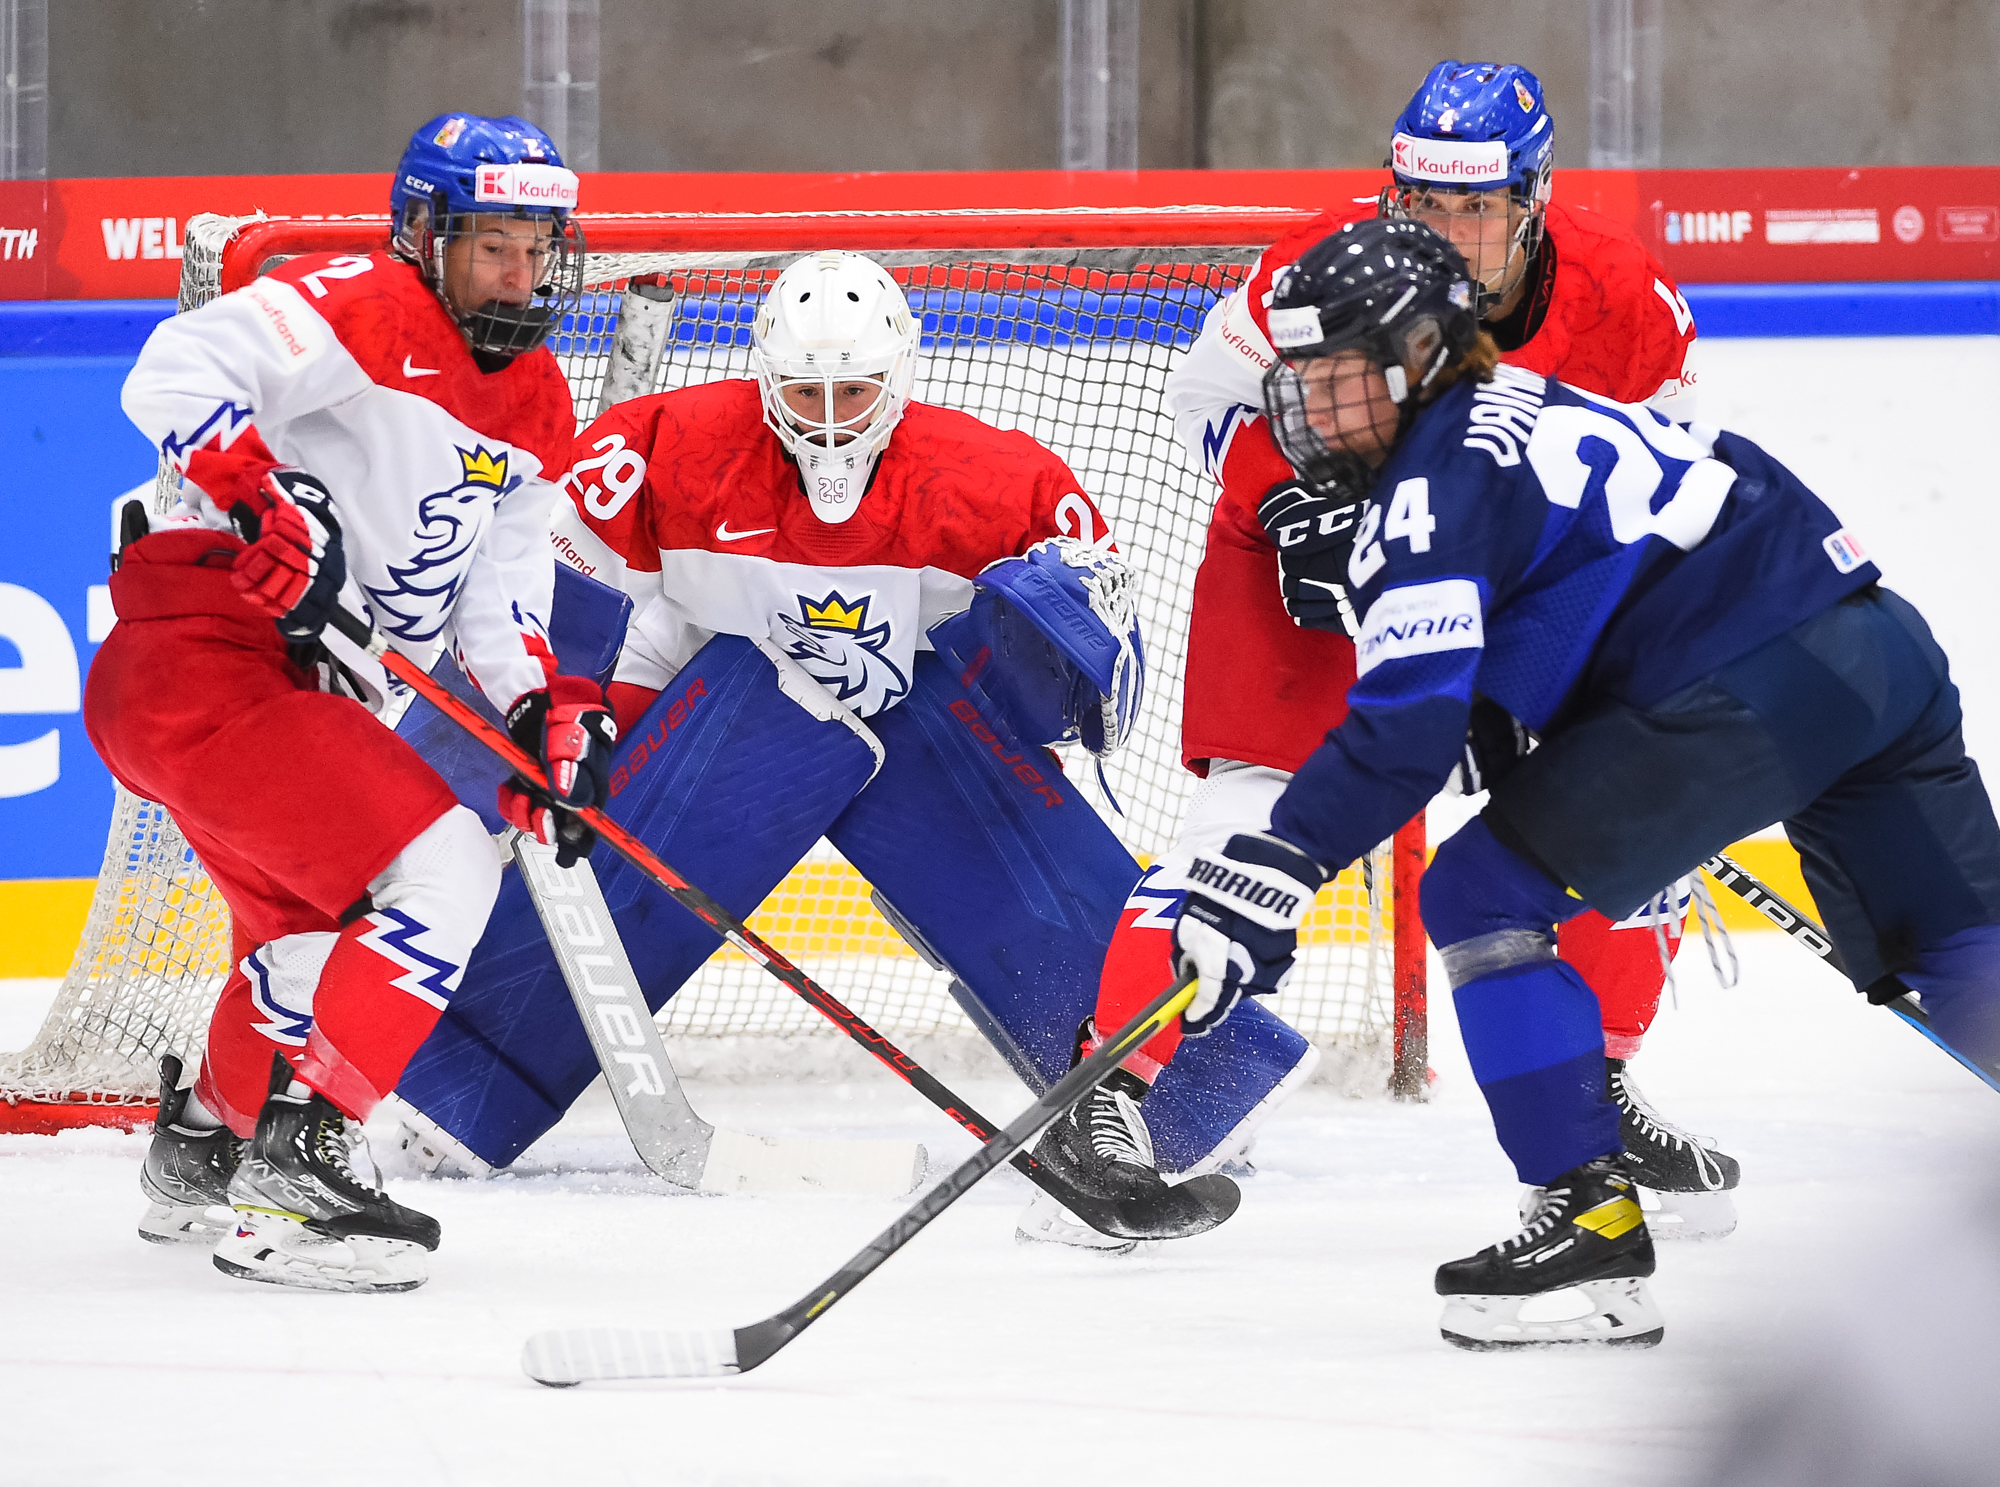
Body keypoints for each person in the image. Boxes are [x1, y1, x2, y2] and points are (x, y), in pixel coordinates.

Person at [1170, 214, 2000, 1348]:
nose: (1310, 406)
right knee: (1958, 948)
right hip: (1876, 648)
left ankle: (1586, 1221)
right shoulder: (1530, 401)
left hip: (1738, 683)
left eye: (1337, 374)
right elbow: (1597, 583)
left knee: (1475, 895)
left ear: (1419, 353)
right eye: (1299, 375)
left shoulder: (1426, 486)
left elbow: (1402, 733)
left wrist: (1276, 865)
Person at [384, 251, 1305, 1247]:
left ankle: (1188, 1085)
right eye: (803, 393)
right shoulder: (662, 447)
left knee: (917, 740)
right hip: (698, 707)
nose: (828, 419)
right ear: (763, 376)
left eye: (853, 390)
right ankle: (459, 1076)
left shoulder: (1000, 483)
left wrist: (1043, 667)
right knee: (706, 738)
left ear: (898, 376)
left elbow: (1077, 669)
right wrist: (542, 745)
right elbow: (537, 602)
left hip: (919, 730)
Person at [1064, 58, 1737, 1240]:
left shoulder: (1625, 299)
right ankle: (1107, 1098)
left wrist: (1552, 634)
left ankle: (1596, 1094)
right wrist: (1293, 502)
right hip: (1302, 583)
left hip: (1500, 588)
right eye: (1421, 200)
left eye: (1473, 206)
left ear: (1532, 197)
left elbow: (1656, 492)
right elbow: (1207, 401)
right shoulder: (1317, 263)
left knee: (1638, 812)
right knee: (1252, 829)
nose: (1443, 228)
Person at [92, 113, 611, 1292]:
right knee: (446, 870)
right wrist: (260, 491)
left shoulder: (537, 399)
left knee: (313, 948)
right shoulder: (361, 301)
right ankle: (303, 1176)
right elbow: (174, 367)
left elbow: (502, 585)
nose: (519, 274)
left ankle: (205, 1145)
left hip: (286, 695)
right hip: (209, 651)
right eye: (491, 245)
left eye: (537, 248)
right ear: (424, 234)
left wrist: (538, 712)